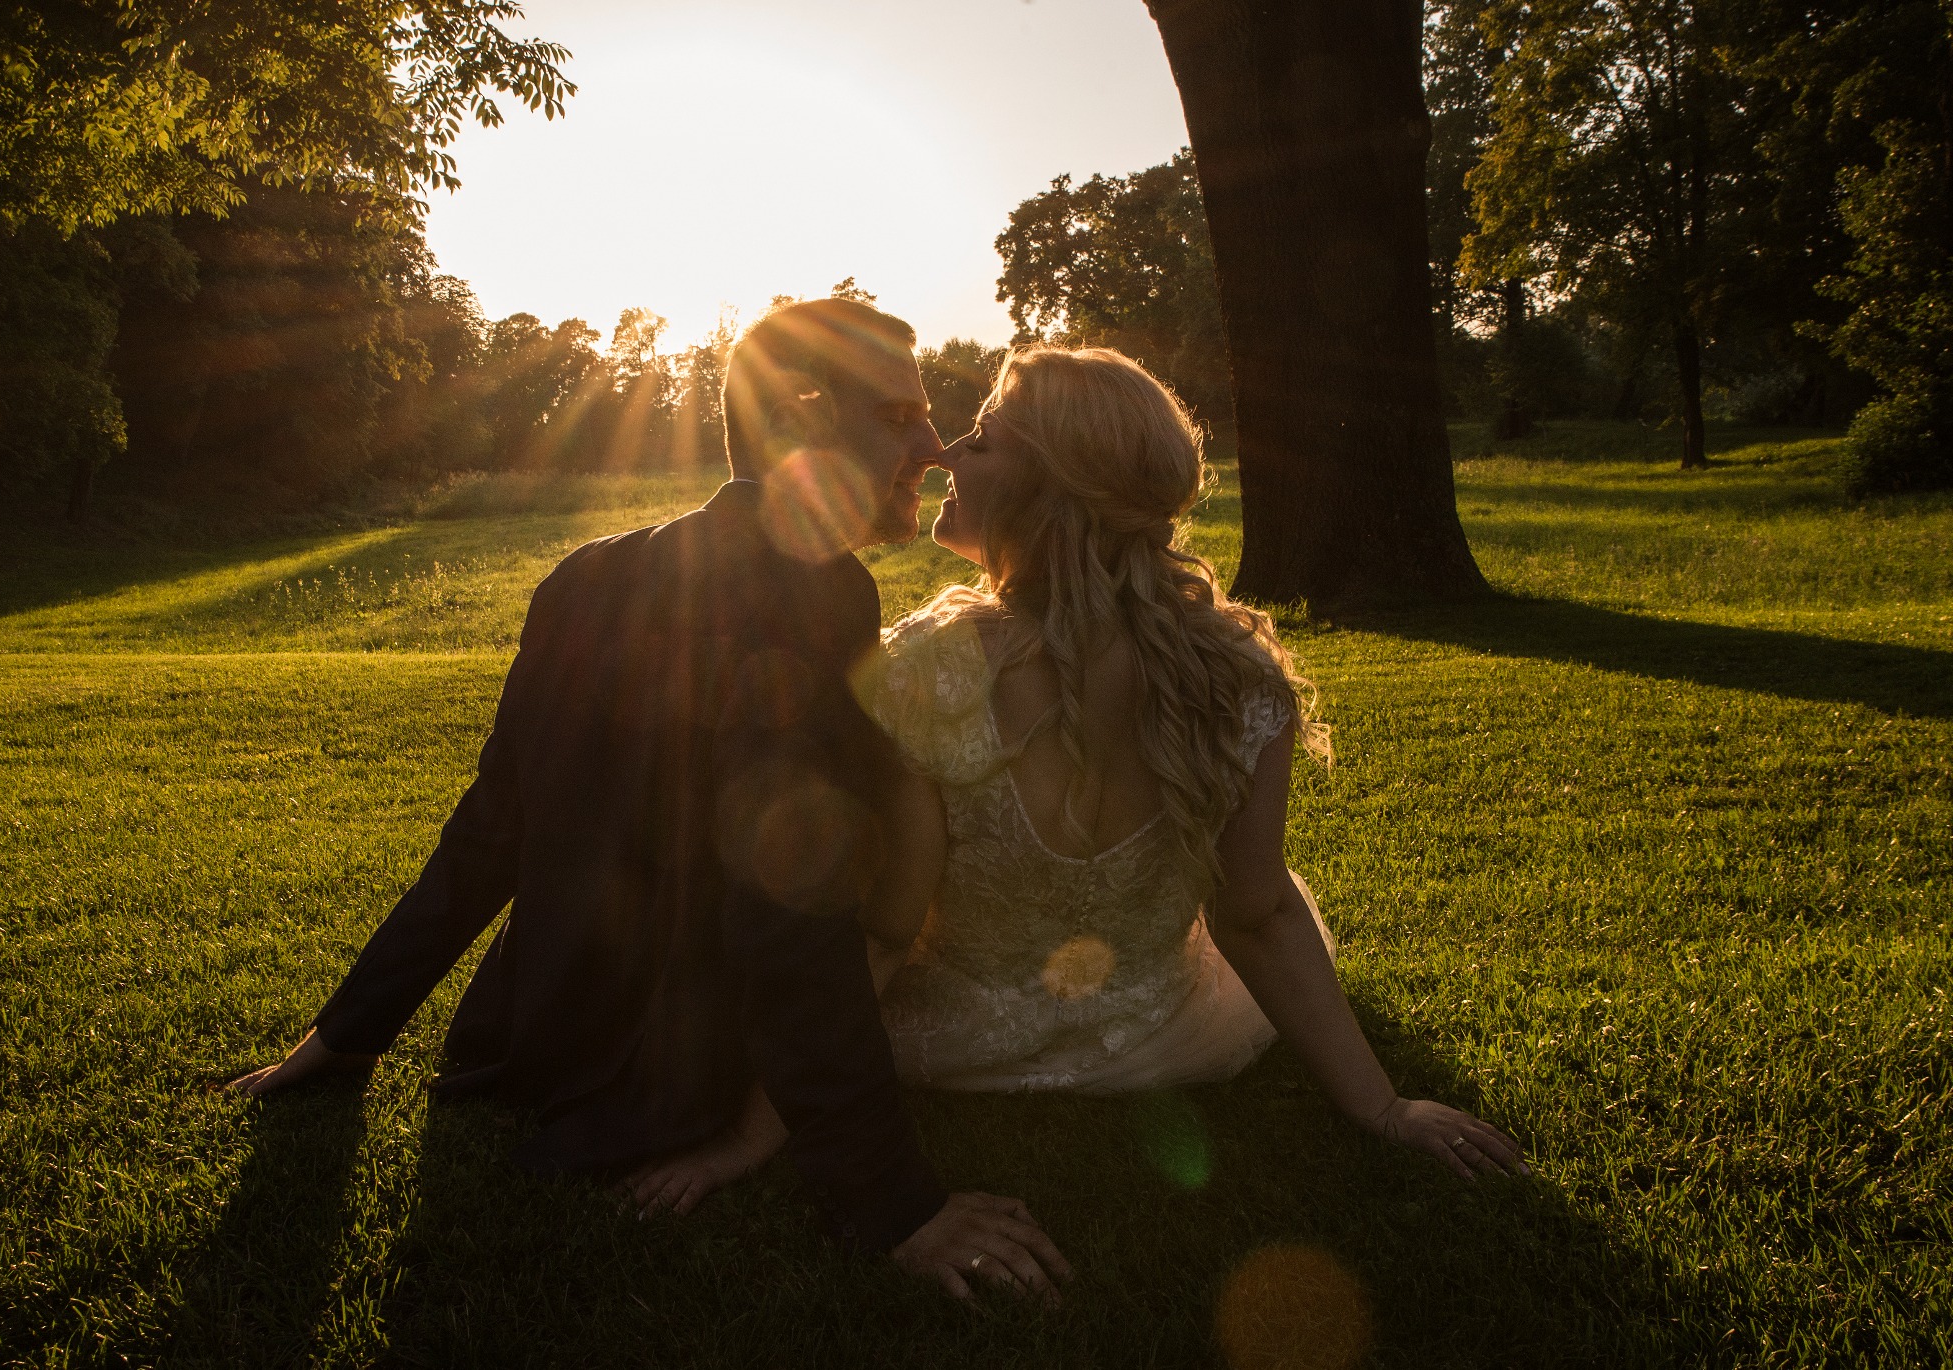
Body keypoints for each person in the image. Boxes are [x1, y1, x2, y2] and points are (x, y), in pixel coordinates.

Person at [228, 299, 1072, 1302]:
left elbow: (491, 827)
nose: (934, 449)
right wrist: (895, 1200)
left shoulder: (585, 574)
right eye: (899, 415)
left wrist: (347, 1031)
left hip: (525, 1042)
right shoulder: (822, 595)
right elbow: (788, 905)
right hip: (664, 1085)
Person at [626, 346, 1524, 1222]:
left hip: (948, 1047)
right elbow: (1259, 914)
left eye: (981, 438)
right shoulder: (1238, 678)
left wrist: (752, 1135)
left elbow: (886, 937)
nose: (945, 453)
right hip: (1156, 1036)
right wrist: (1382, 1106)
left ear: (1046, 487)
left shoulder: (928, 668)